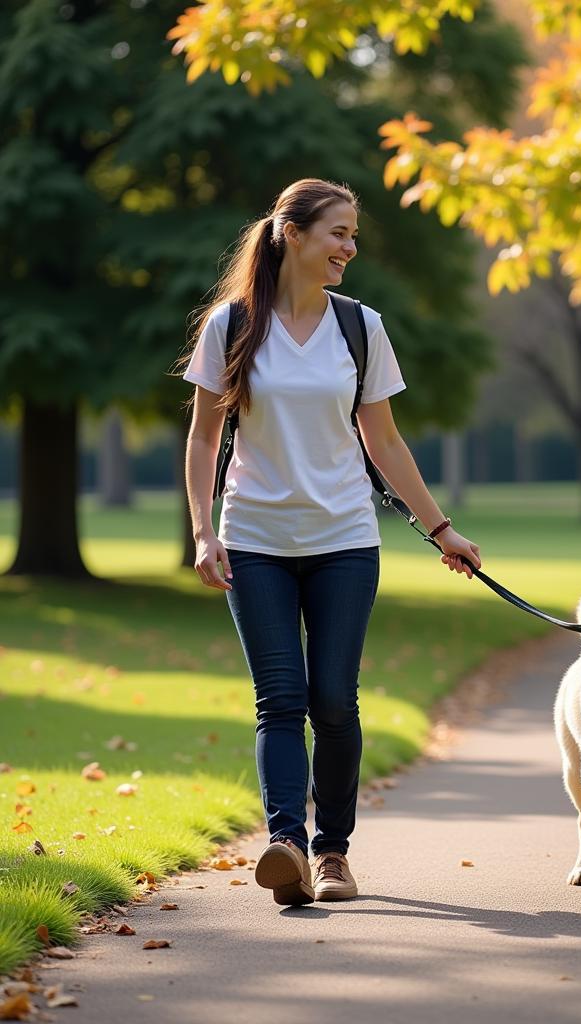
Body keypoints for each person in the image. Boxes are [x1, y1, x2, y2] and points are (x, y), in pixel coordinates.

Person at [180, 178, 481, 907]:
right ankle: (286, 843)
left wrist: (441, 528)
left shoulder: (360, 327)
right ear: (291, 231)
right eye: (338, 233)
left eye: (353, 236)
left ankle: (333, 852)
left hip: (345, 539)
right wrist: (201, 531)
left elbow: (383, 439)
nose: (349, 247)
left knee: (334, 704)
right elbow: (203, 435)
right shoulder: (232, 325)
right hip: (253, 538)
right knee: (278, 700)